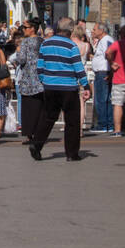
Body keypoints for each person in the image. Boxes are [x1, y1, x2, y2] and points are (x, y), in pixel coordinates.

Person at [28, 17, 92, 162]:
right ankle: (71, 153)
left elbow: (40, 66)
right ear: (70, 30)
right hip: (68, 87)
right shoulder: (71, 46)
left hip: (50, 86)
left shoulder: (46, 44)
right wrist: (86, 85)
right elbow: (78, 68)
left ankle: (36, 144)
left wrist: (45, 80)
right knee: (72, 121)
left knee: (48, 117)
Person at [10, 19, 44, 142]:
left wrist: (18, 52)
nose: (23, 30)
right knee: (39, 107)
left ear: (32, 29)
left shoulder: (25, 42)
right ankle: (39, 132)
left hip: (28, 79)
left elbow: (22, 60)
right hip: (40, 78)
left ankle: (30, 133)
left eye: (25, 27)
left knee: (28, 108)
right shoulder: (42, 41)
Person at [90, 23, 116, 133]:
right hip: (102, 72)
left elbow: (110, 54)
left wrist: (110, 71)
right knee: (105, 99)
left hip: (103, 72)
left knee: (101, 99)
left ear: (101, 30)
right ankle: (107, 124)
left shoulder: (106, 40)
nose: (93, 31)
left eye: (95, 29)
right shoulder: (104, 40)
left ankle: (103, 124)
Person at [71, 22, 93, 140]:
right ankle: (79, 129)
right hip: (83, 73)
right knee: (81, 103)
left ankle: (70, 127)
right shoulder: (86, 46)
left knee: (70, 102)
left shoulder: (70, 44)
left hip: (72, 74)